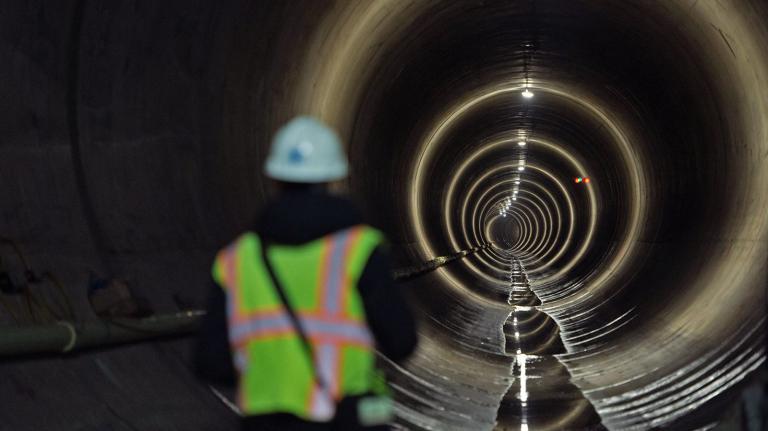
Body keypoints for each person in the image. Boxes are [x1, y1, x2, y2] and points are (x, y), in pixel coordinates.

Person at [195, 116, 418, 431]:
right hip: (343, 418)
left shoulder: (237, 259)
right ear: (332, 178)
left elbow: (210, 361)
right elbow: (401, 341)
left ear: (274, 179)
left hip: (266, 422)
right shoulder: (357, 250)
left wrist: (268, 377)